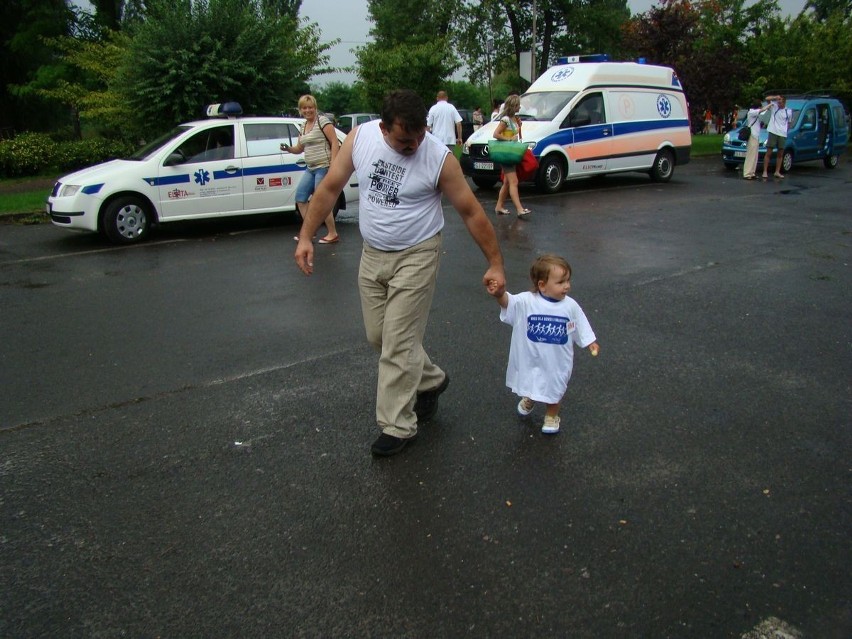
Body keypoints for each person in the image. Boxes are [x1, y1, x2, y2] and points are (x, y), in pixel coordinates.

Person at [294, 89, 505, 457]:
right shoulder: (361, 138)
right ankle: (431, 380)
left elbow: (471, 212)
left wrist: (496, 262)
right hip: (372, 253)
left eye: (420, 135)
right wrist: (307, 236)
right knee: (379, 336)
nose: (415, 145)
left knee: (397, 342)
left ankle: (398, 426)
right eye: (405, 140)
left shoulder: (438, 158)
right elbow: (329, 187)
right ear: (383, 128)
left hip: (418, 254)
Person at [487, 254, 598, 434]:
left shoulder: (570, 306)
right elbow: (509, 303)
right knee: (531, 380)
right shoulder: (527, 301)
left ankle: (551, 416)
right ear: (542, 285)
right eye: (561, 282)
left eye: (568, 280)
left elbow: (580, 323)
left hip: (557, 361)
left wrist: (589, 341)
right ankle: (531, 397)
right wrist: (500, 294)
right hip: (532, 359)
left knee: (555, 387)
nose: (567, 286)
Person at [282, 94, 340, 244]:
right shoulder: (303, 126)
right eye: (304, 108)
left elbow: (334, 142)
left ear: (315, 107)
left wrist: (333, 164)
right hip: (310, 168)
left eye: (310, 107)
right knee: (301, 199)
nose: (308, 110)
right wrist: (288, 149)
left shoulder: (322, 122)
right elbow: (299, 148)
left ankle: (332, 233)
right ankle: (310, 231)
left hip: (323, 166)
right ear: (300, 110)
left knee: (320, 201)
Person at [492, 95, 530, 219]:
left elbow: (518, 136)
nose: (520, 106)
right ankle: (519, 209)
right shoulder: (506, 120)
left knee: (507, 182)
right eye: (518, 104)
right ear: (514, 106)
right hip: (506, 154)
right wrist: (508, 139)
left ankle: (499, 206)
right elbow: (496, 134)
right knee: (514, 181)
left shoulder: (514, 119)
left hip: (511, 153)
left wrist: (519, 127)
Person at [762, 94, 791, 180]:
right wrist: (775, 98)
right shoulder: (774, 107)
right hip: (773, 131)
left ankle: (777, 171)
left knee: (780, 153)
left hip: (782, 133)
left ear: (784, 102)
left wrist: (785, 131)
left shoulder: (788, 111)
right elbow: (767, 98)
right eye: (778, 102)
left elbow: (789, 123)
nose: (779, 103)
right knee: (769, 152)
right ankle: (765, 171)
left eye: (781, 102)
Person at [742, 100, 771, 180]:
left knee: (755, 155)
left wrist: (768, 107)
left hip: (756, 136)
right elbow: (761, 110)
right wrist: (769, 105)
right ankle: (747, 173)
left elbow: (762, 112)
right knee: (751, 154)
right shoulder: (751, 112)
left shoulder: (755, 113)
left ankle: (752, 172)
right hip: (752, 135)